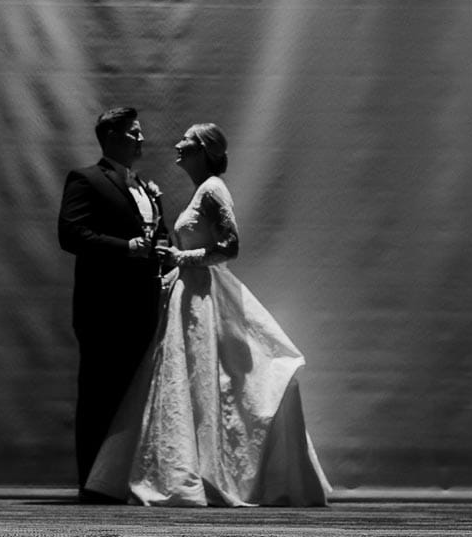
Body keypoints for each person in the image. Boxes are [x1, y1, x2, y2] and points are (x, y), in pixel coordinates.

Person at [84, 123, 332, 507]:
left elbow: (230, 247)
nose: (178, 144)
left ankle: (204, 471)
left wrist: (181, 258)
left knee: (201, 379)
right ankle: (191, 467)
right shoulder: (203, 190)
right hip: (189, 292)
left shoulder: (213, 189)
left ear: (203, 150)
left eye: (187, 140)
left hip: (202, 295)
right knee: (190, 382)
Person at [58, 106, 168, 502]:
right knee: (99, 394)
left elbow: (159, 237)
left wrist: (163, 251)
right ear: (112, 137)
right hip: (103, 309)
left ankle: (123, 478)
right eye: (134, 133)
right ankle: (92, 482)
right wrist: (126, 248)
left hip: (144, 306)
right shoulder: (87, 179)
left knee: (133, 395)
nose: (141, 139)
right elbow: (71, 234)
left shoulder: (144, 186)